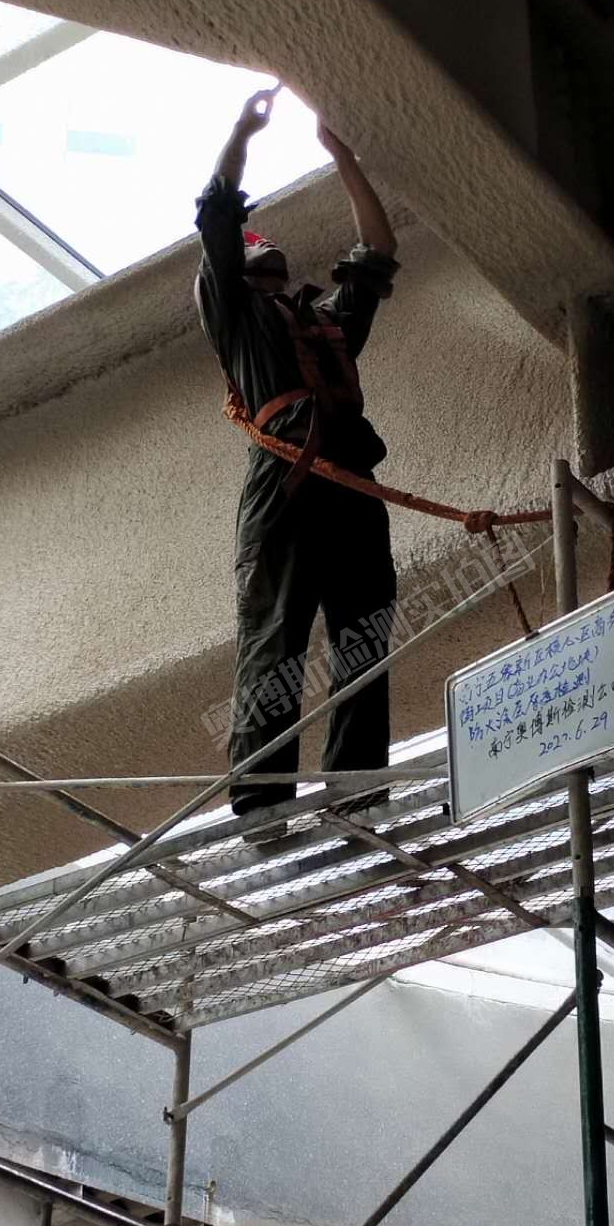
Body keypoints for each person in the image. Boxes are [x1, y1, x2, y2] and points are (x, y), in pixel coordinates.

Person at [194, 85, 400, 832]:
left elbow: (377, 253)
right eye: (255, 253)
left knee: (365, 635)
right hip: (283, 480)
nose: (266, 254)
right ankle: (261, 803)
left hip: (349, 479)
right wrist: (242, 133)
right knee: (277, 637)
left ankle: (356, 791)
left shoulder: (322, 322)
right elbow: (217, 213)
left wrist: (342, 157)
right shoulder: (236, 316)